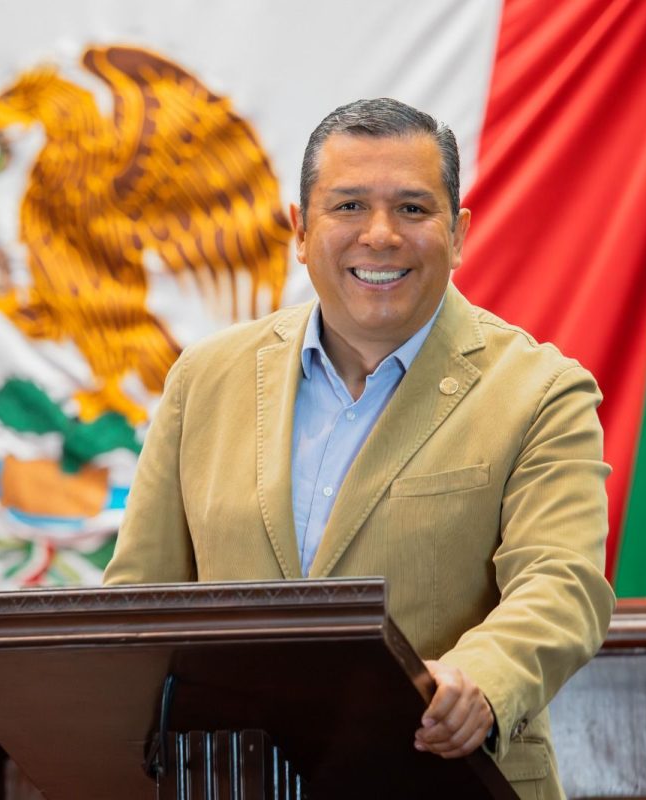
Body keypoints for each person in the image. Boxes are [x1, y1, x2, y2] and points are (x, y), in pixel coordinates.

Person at [103, 98, 614, 799]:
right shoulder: (203, 379)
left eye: (412, 209)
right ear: (299, 230)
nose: (380, 235)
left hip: (444, 778)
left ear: (458, 234)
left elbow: (562, 584)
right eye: (348, 206)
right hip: (236, 782)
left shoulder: (542, 391)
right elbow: (139, 603)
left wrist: (482, 680)